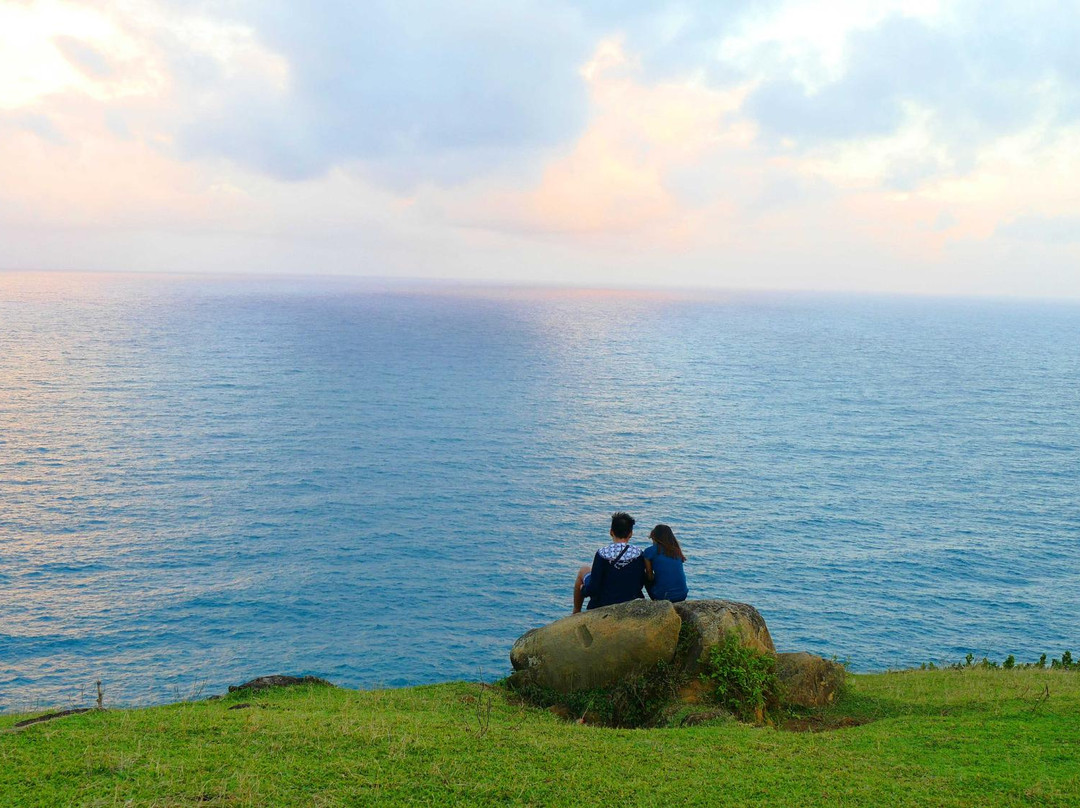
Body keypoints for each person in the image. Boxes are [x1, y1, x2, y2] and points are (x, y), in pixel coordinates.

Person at [573, 512, 647, 613]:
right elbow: (641, 581)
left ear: (611, 532)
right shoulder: (639, 554)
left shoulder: (602, 553)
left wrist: (583, 589)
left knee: (584, 570)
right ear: (630, 534)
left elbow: (593, 588)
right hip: (631, 602)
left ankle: (576, 612)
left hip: (603, 603)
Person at [642, 524, 688, 603]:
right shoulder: (676, 550)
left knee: (644, 575)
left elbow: (649, 575)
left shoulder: (649, 551)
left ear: (654, 537)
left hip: (663, 597)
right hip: (682, 594)